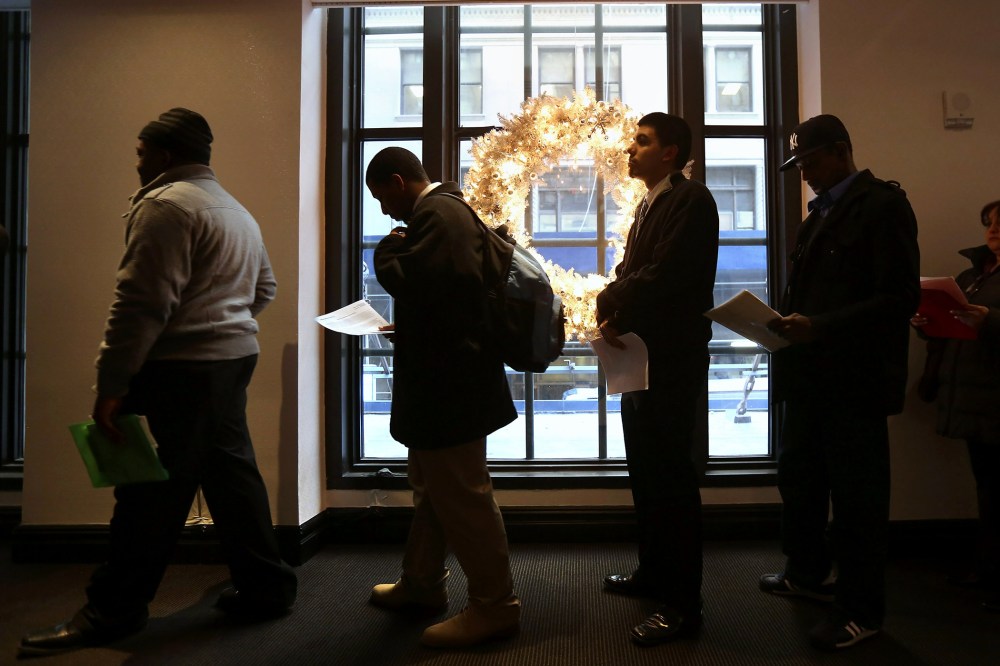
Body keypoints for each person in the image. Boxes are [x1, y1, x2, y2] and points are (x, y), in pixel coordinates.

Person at [19, 108, 297, 657]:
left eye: (142, 153)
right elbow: (263, 288)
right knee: (231, 477)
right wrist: (225, 320)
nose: (138, 162)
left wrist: (111, 382)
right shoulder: (234, 209)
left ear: (166, 155)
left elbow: (139, 306)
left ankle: (113, 613)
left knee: (148, 493)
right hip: (231, 360)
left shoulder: (166, 207)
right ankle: (267, 588)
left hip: (182, 369)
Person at [760, 114, 920, 650]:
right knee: (799, 480)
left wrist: (818, 327)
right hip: (808, 377)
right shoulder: (819, 214)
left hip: (854, 383)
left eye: (810, 161)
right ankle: (807, 575)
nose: (803, 171)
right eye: (799, 162)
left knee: (857, 502)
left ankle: (861, 611)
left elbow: (899, 299)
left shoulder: (883, 206)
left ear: (842, 151)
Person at [365, 147, 521, 648]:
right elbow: (448, 300)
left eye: (381, 197)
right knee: (435, 491)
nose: (384, 210)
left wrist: (385, 251)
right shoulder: (449, 212)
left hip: (450, 389)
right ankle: (423, 584)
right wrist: (409, 329)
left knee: (464, 496)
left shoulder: (438, 215)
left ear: (397, 181)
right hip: (452, 384)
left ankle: (495, 606)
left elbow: (420, 281)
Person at [595, 113, 719, 647]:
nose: (632, 148)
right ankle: (653, 574)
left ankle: (682, 605)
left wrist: (612, 299)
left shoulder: (691, 200)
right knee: (645, 473)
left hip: (670, 362)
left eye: (642, 141)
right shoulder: (651, 202)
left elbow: (666, 274)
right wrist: (616, 313)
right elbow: (634, 271)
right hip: (641, 360)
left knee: (670, 480)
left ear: (670, 152)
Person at [912, 198, 1000, 613]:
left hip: (991, 395)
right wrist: (930, 324)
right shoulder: (972, 274)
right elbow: (952, 333)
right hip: (972, 395)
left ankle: (988, 567)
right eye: (989, 224)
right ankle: (986, 565)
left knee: (993, 485)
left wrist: (992, 321)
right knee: (986, 483)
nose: (993, 231)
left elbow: (988, 324)